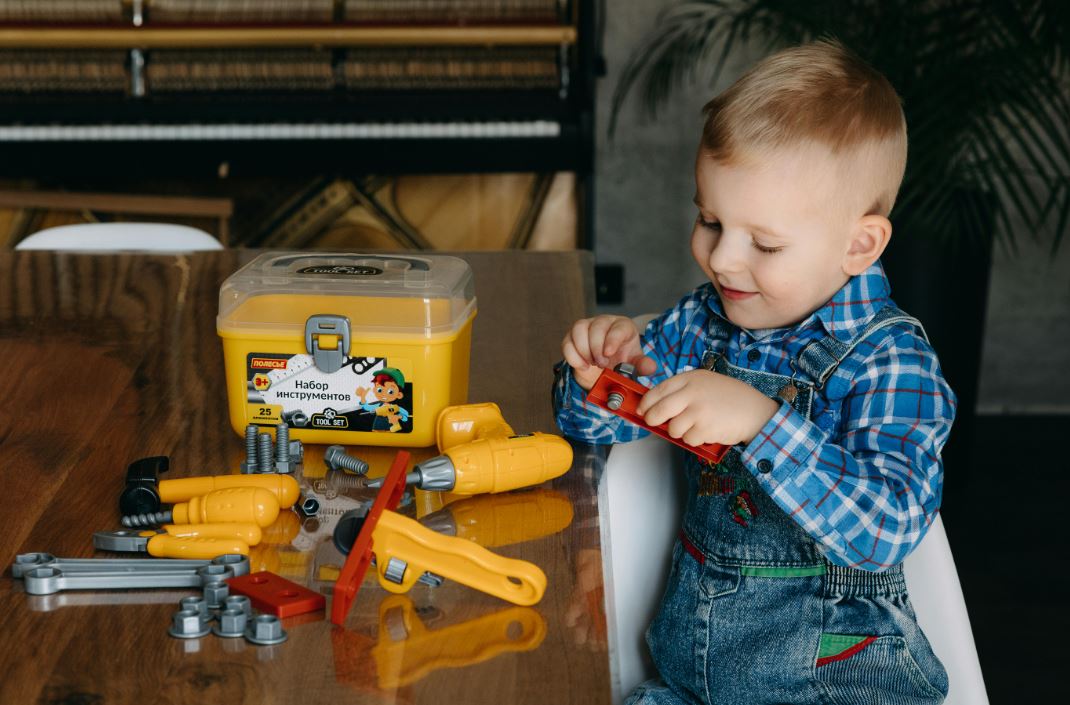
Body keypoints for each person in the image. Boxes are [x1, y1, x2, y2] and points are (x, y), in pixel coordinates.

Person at [553, 40, 955, 705]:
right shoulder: (701, 323)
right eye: (710, 220)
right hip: (691, 680)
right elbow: (587, 424)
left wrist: (762, 423)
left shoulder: (892, 361)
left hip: (841, 687)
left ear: (861, 244)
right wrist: (597, 372)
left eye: (763, 242)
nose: (724, 260)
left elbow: (886, 528)